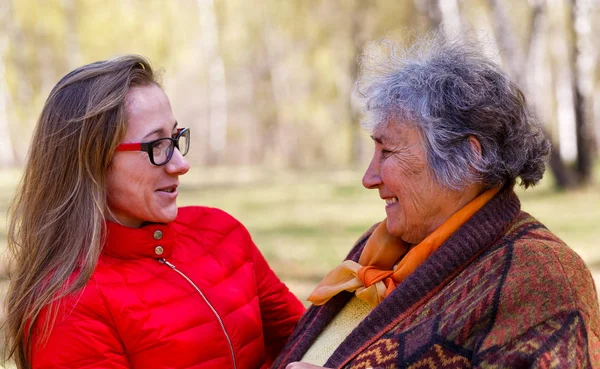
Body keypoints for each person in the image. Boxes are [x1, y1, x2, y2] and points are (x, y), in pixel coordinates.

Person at [273, 33, 600, 368]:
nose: (369, 178)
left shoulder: (542, 278)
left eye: (388, 151)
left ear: (468, 158)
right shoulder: (378, 249)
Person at [3, 55, 305, 369]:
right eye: (156, 145)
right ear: (93, 160)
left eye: (174, 138)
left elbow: (306, 341)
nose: (180, 164)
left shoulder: (221, 232)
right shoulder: (68, 305)